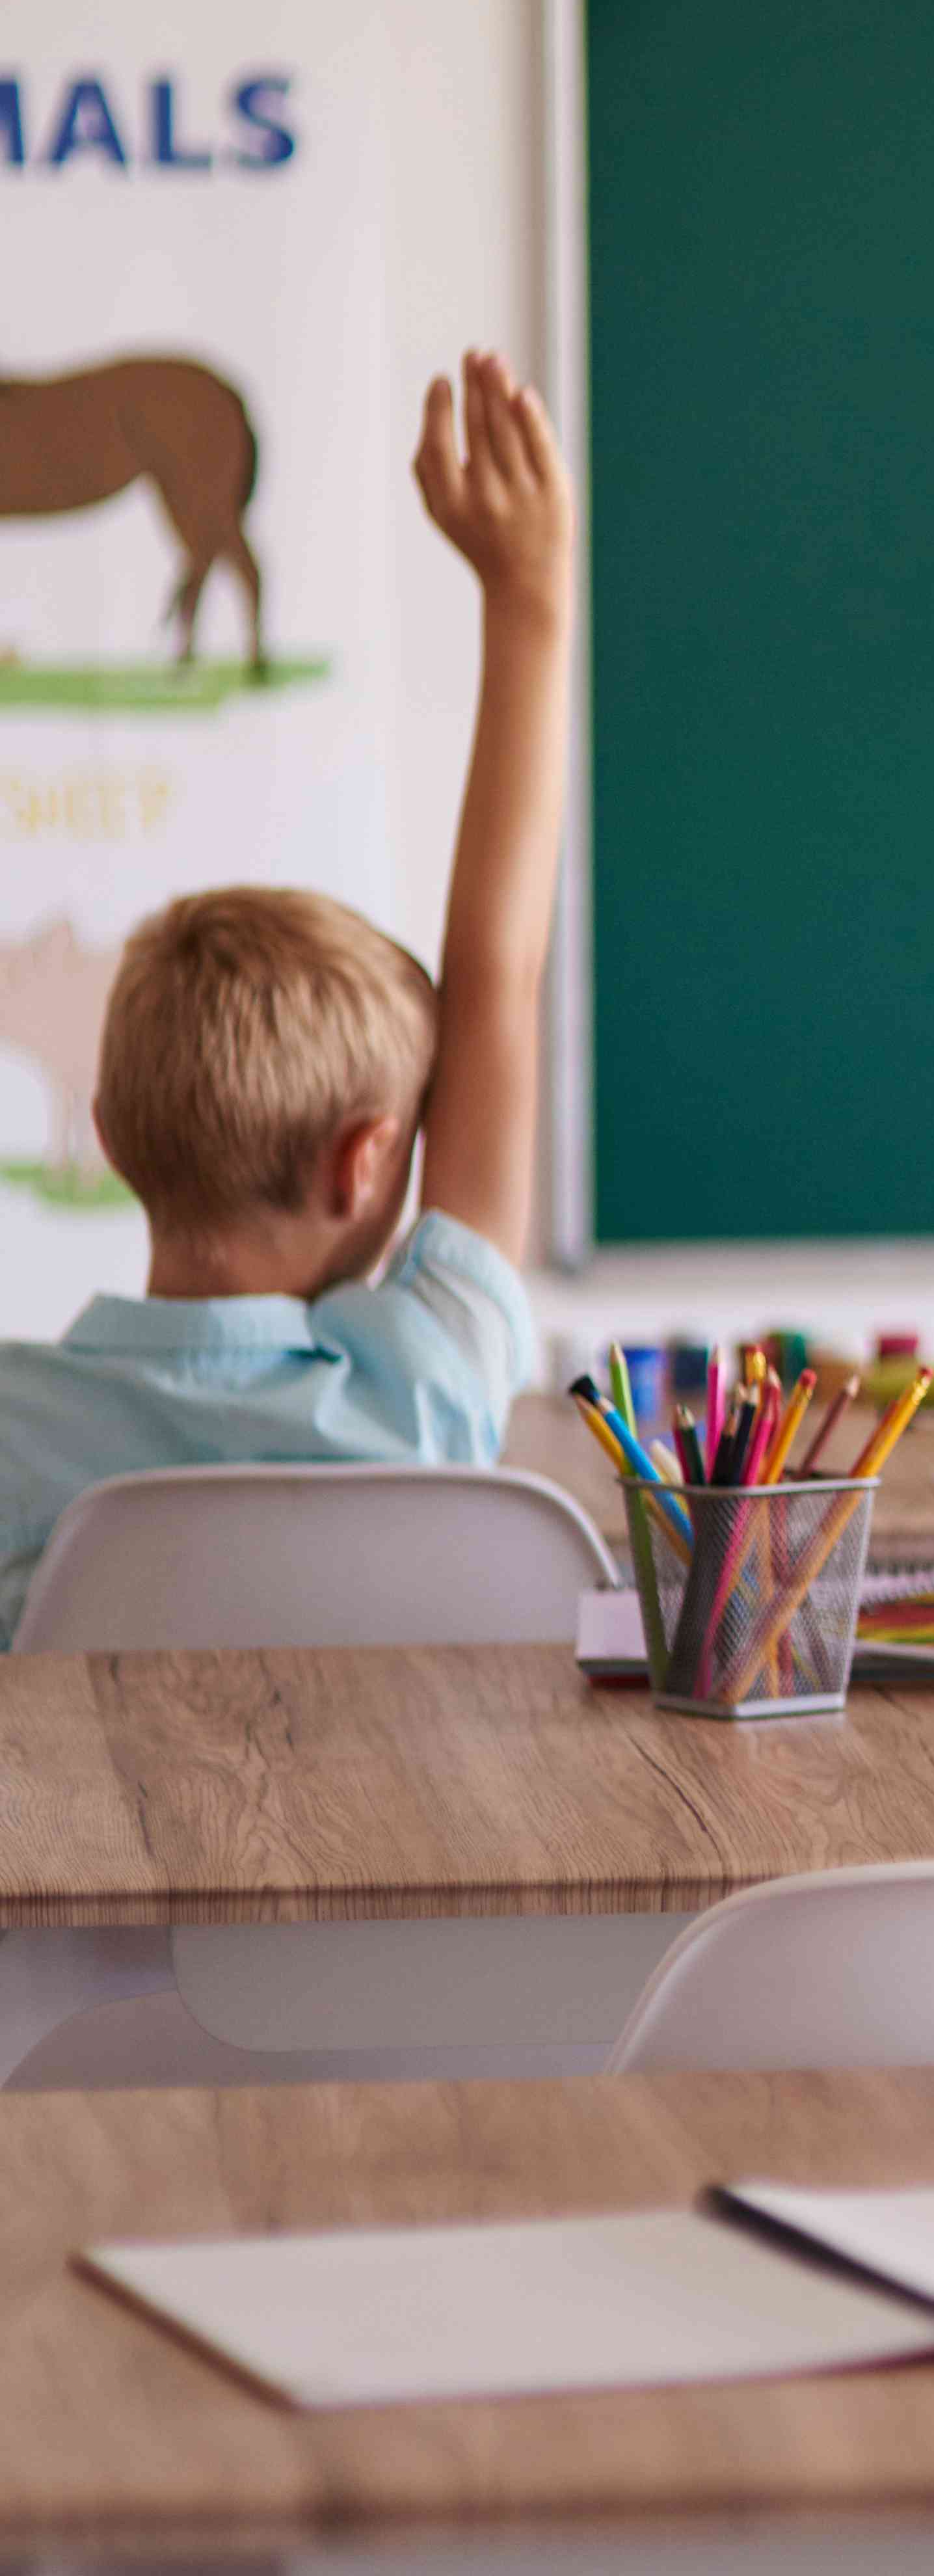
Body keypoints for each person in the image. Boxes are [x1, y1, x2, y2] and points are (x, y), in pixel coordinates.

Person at [0, 355, 574, 1639]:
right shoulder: (420, 1389)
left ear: (107, 1133)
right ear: (371, 1157)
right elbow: (501, 974)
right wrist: (528, 589)